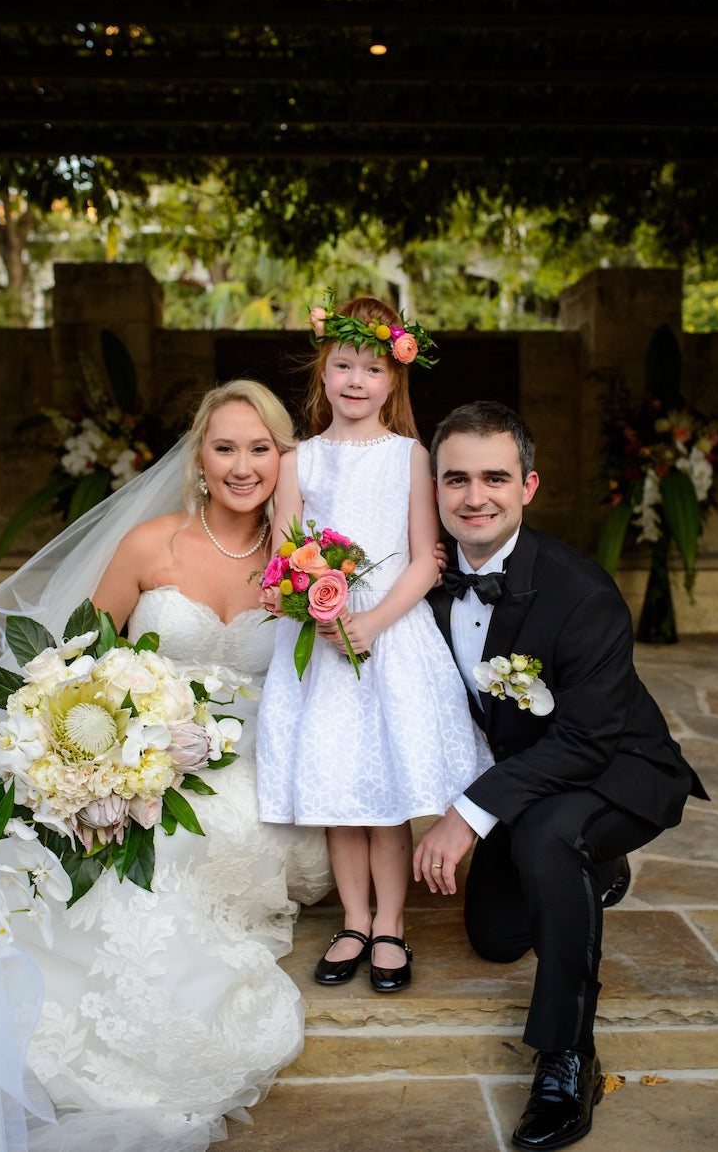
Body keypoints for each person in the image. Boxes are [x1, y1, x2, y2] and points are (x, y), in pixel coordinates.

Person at [0, 379, 332, 1152]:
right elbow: (73, 660)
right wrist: (97, 754)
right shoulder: (149, 545)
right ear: (199, 457)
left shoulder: (306, 560)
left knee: (202, 835)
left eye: (260, 449)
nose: (242, 466)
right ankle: (99, 1015)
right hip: (145, 744)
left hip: (260, 758)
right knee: (121, 846)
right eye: (225, 447)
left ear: (284, 459)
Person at [414, 400, 707, 1151]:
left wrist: (468, 812)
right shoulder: (425, 582)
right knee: (496, 936)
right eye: (456, 479)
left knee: (548, 837)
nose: (474, 497)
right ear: (434, 487)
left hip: (618, 767)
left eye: (495, 478)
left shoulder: (583, 592)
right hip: (531, 772)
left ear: (528, 486)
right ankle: (595, 867)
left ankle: (568, 1057)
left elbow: (586, 739)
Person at [256, 296, 489, 993]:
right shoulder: (299, 461)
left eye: (372, 369)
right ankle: (353, 920)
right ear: (323, 373)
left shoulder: (409, 457)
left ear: (394, 380)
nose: (356, 380)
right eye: (343, 366)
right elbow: (285, 552)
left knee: (386, 797)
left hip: (389, 635)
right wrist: (314, 606)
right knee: (338, 792)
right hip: (320, 641)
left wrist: (374, 621)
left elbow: (424, 559)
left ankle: (390, 923)